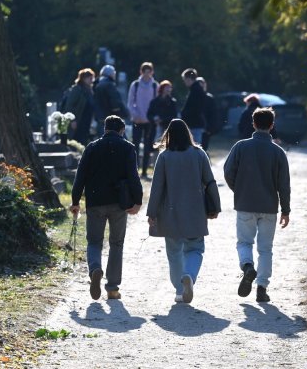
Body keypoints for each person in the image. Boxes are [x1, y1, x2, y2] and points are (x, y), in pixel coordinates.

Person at [146, 119, 220, 304]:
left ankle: (180, 290)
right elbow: (210, 181)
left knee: (173, 253)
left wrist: (152, 212)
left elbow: (157, 187)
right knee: (195, 249)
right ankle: (189, 276)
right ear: (188, 134)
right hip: (195, 211)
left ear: (168, 135)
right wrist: (215, 207)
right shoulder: (199, 154)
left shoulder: (164, 157)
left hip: (170, 212)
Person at [70, 115, 143, 301]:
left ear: (104, 129)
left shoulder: (92, 148)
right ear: (122, 130)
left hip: (95, 201)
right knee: (116, 244)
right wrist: (138, 200)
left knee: (94, 241)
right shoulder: (128, 148)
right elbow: (133, 176)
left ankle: (95, 269)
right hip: (119, 202)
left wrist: (75, 201)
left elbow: (80, 176)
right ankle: (112, 288)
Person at [223, 107, 290, 303]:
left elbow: (228, 172)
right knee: (265, 249)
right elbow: (284, 185)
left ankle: (247, 267)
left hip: (245, 203)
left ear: (253, 123)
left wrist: (239, 189)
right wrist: (285, 210)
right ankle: (262, 287)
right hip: (269, 206)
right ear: (272, 125)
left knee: (244, 242)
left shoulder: (240, 147)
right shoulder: (278, 152)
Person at [127, 62, 159, 177]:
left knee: (148, 146)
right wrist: (135, 116)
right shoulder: (135, 85)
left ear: (152, 72)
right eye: (144, 71)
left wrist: (153, 117)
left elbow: (157, 104)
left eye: (149, 71)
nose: (147, 74)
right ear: (141, 72)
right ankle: (134, 169)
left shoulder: (155, 86)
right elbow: (130, 103)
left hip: (150, 121)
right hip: (137, 120)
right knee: (134, 145)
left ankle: (144, 170)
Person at [94, 65, 128, 137]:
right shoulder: (110, 85)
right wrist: (120, 113)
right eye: (114, 73)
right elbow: (115, 102)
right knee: (122, 141)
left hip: (100, 118)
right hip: (112, 120)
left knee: (102, 142)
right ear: (110, 74)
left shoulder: (97, 85)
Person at [64, 68, 96, 144]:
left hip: (86, 122)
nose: (92, 80)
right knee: (77, 140)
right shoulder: (77, 89)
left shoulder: (89, 90)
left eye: (92, 78)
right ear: (83, 78)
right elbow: (69, 105)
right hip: (78, 121)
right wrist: (72, 120)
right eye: (90, 78)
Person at [180, 68, 208, 146]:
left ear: (189, 79)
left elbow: (194, 109)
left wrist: (184, 115)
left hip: (194, 124)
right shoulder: (196, 89)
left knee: (195, 148)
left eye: (184, 79)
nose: (184, 82)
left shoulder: (195, 91)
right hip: (195, 123)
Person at [197, 76, 220, 151]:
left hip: (205, 128)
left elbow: (213, 114)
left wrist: (210, 128)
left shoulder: (209, 98)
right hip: (195, 127)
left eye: (202, 85)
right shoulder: (193, 97)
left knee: (203, 148)